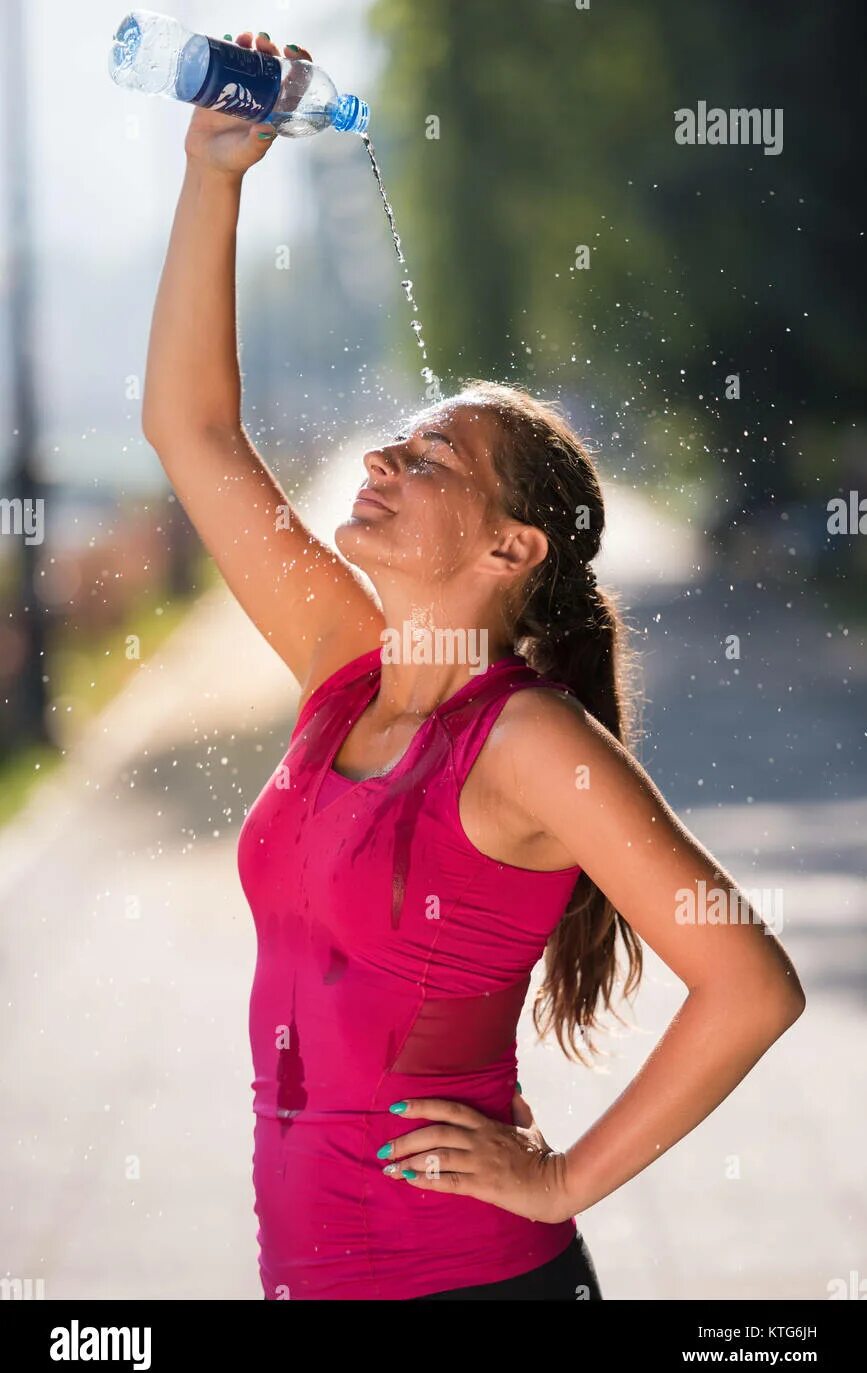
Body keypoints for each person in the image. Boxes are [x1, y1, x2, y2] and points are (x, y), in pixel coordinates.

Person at [141, 31, 806, 1302]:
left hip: (463, 1283)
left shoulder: (529, 743)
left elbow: (749, 982)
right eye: (389, 447)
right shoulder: (348, 665)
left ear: (512, 546)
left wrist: (562, 1180)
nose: (381, 464)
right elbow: (192, 428)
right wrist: (214, 177)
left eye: (429, 461)